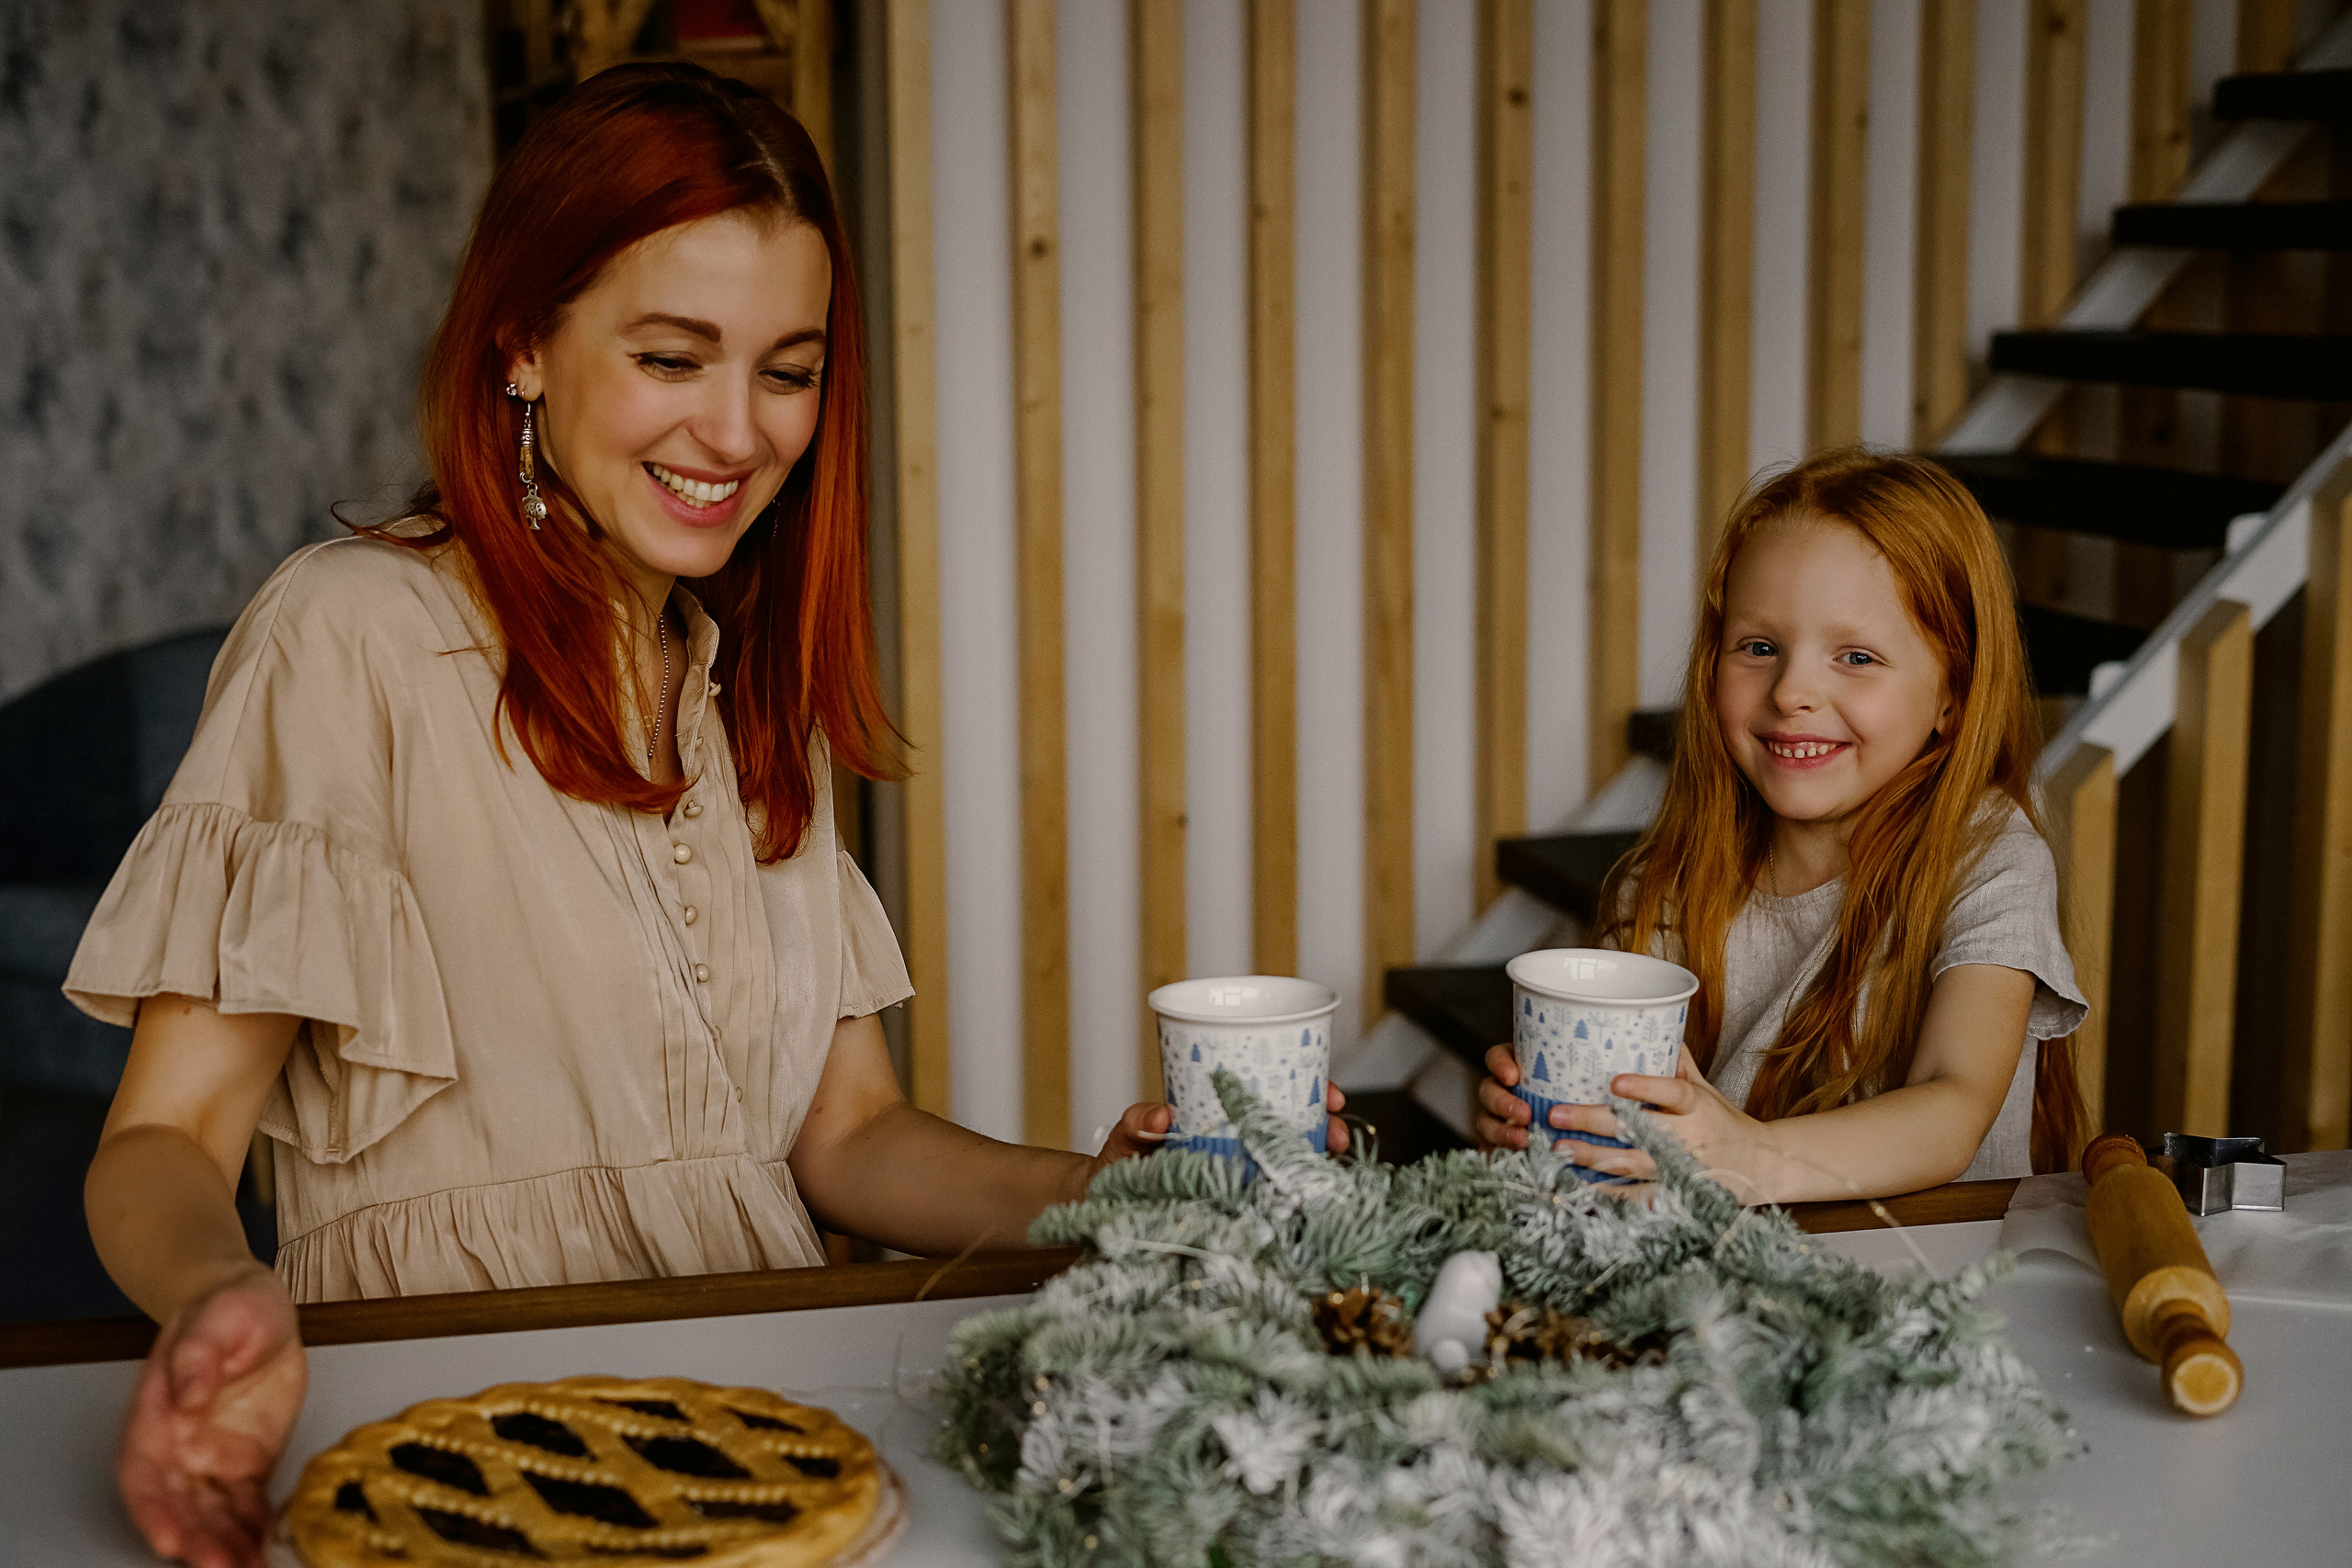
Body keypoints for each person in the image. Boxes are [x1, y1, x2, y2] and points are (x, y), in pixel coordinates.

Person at [68, 65, 1345, 1568]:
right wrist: (224, 1294)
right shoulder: (347, 636)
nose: (737, 432)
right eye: (674, 356)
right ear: (523, 346)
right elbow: (161, 1138)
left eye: (787, 370)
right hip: (459, 1459)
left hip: (759, 1444)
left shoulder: (748, 690)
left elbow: (849, 1137)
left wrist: (1101, 1194)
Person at [1475, 450, 2086, 1201]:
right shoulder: (1668, 879)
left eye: (1856, 657)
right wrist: (1553, 1122)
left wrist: (1748, 1156)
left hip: (1933, 1288)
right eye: (1759, 647)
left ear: (1951, 698)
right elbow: (1638, 1126)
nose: (1793, 689)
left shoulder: (1989, 856)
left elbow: (1951, 1102)